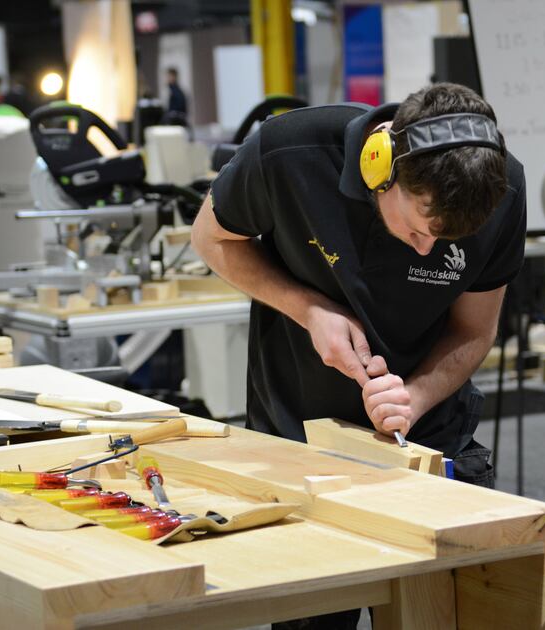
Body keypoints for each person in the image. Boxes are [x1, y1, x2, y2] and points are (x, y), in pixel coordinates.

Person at [191, 81, 524, 629]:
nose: (426, 250)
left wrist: (412, 398)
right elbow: (211, 239)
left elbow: (474, 329)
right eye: (417, 229)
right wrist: (309, 310)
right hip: (299, 440)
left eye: (443, 244)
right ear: (379, 166)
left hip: (425, 444)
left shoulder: (505, 191)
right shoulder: (288, 153)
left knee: (439, 614)